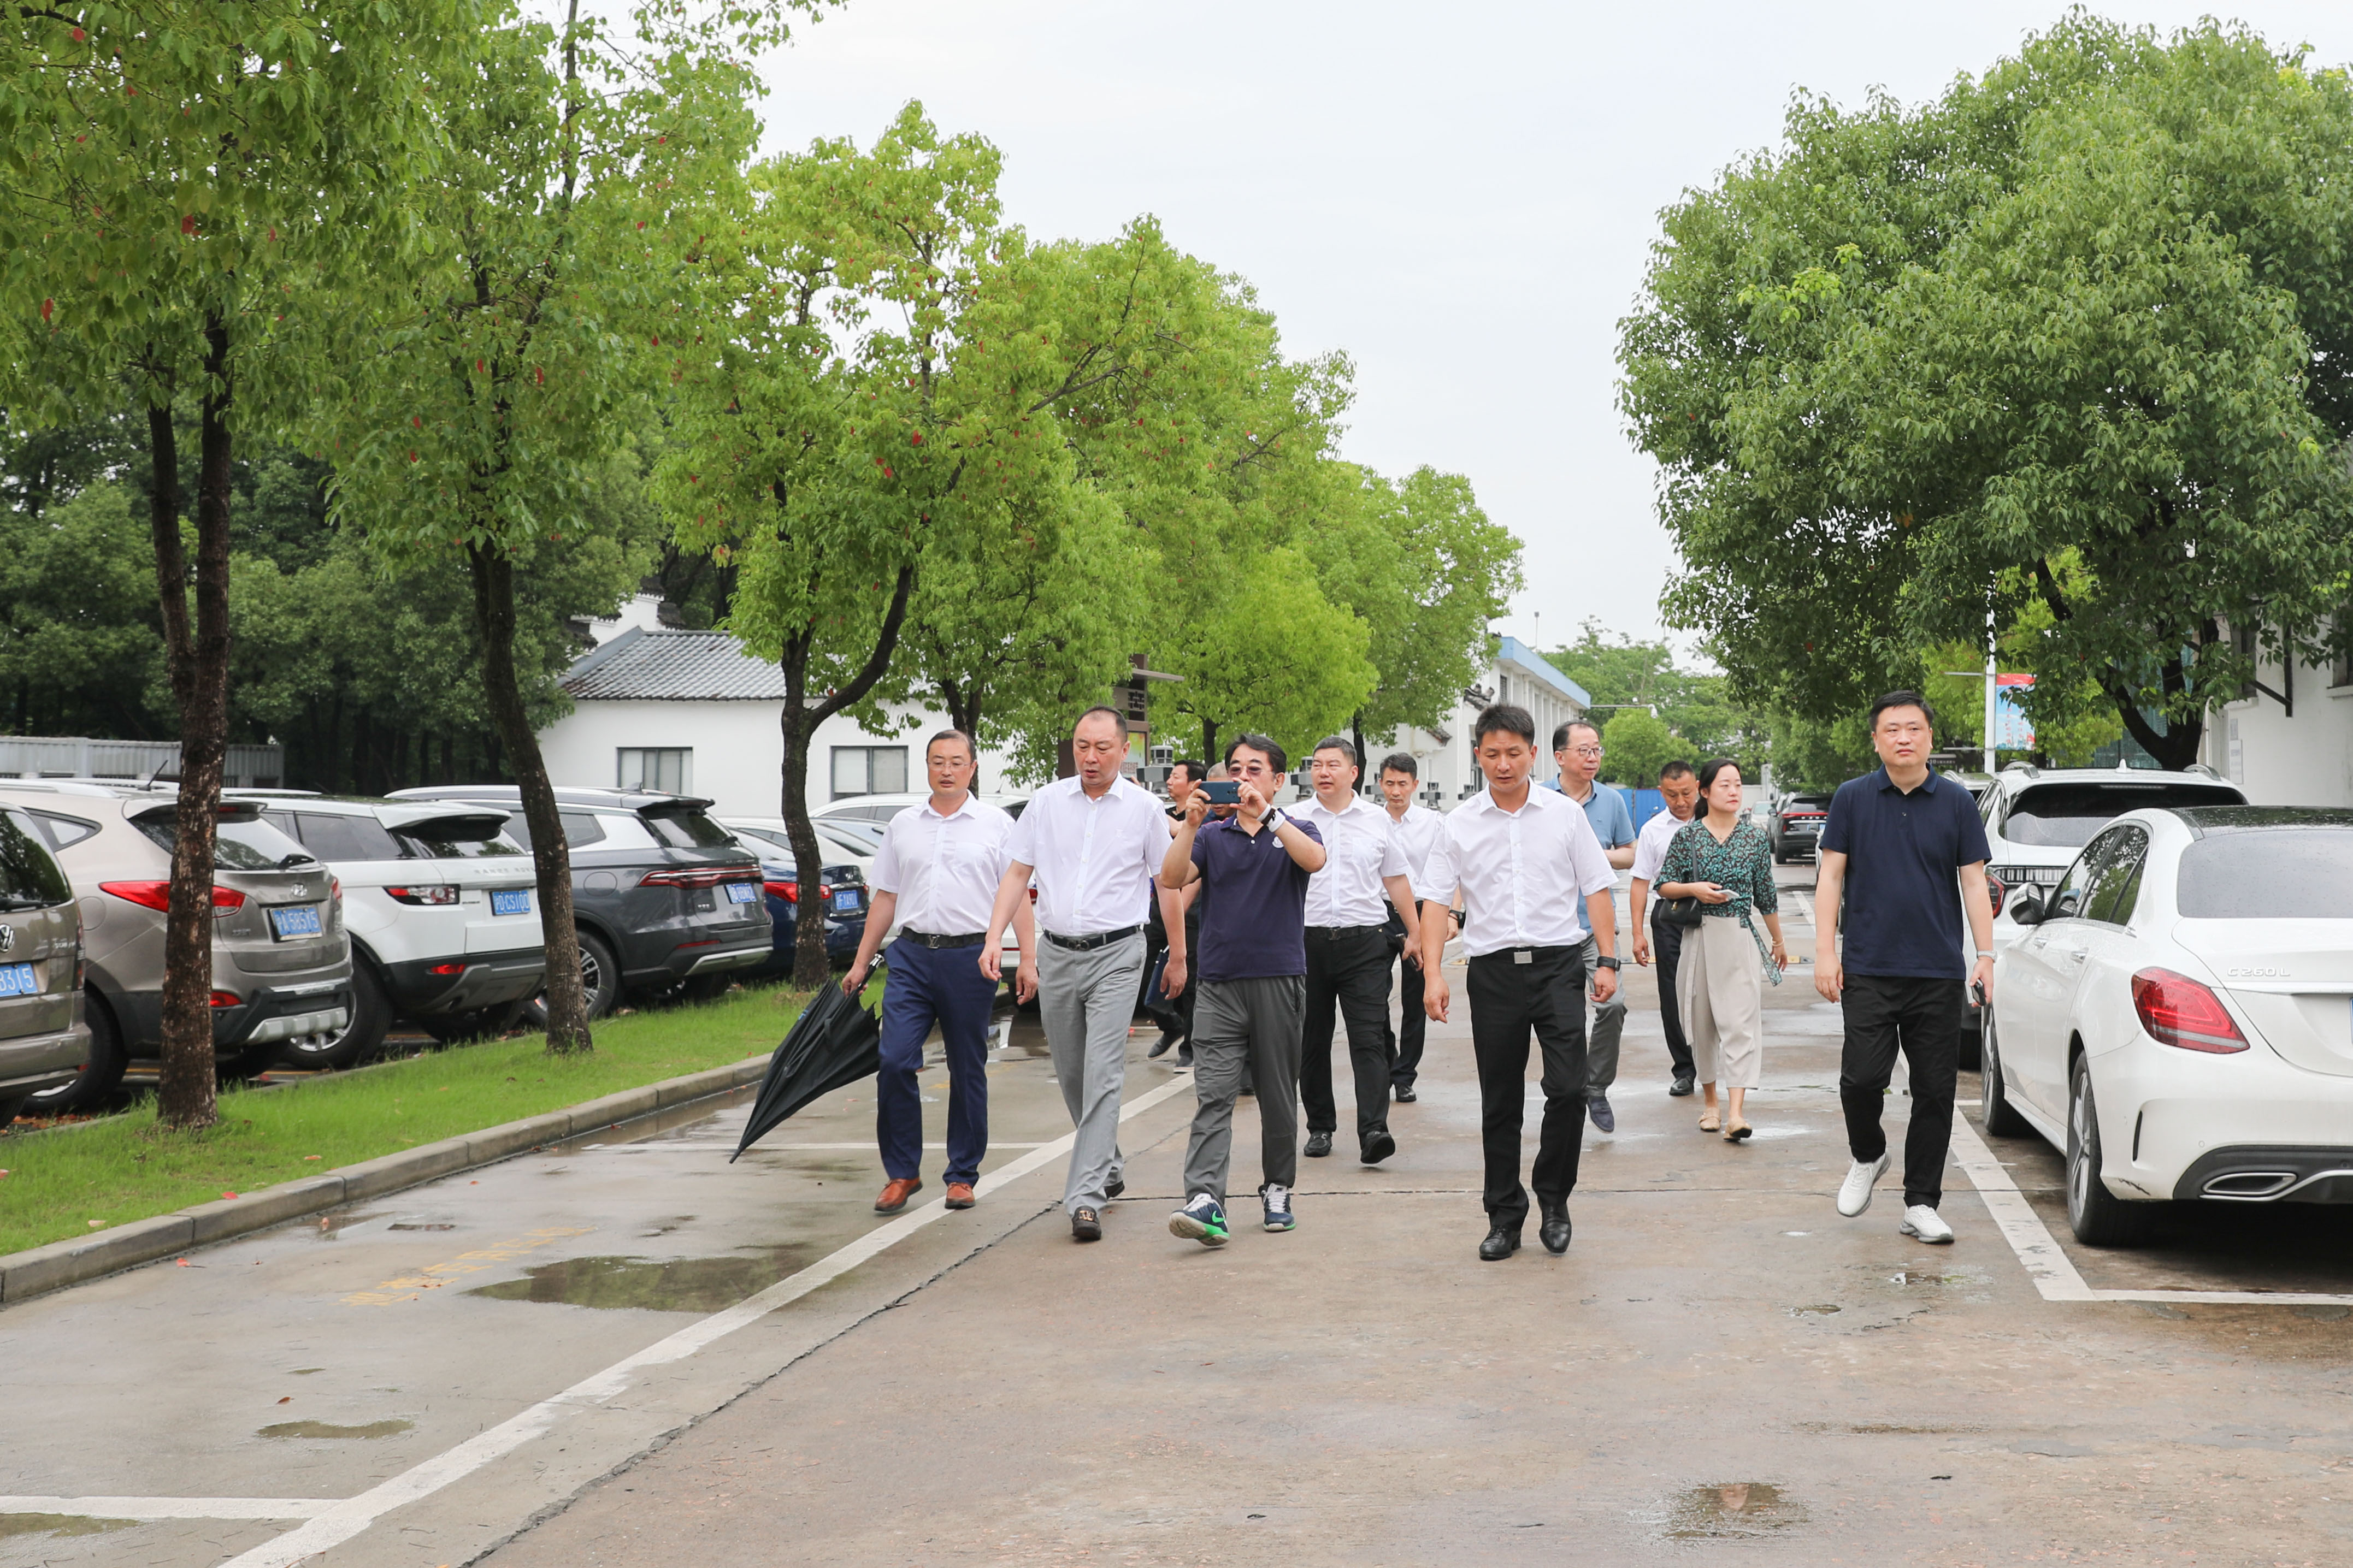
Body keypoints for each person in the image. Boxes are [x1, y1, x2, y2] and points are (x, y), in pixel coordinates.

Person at [1417, 704, 1620, 1262]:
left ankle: (1554, 1200)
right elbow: (1434, 900)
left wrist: (1607, 960)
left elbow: (1596, 887)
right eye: (1492, 754)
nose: (1503, 764)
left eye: (1513, 753)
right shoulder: (1458, 823)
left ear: (1533, 754)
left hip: (1558, 966)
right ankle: (1504, 1215)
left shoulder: (1564, 815)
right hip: (1493, 974)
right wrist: (1433, 974)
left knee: (1569, 1089)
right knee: (1500, 1100)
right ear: (1477, 755)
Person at [981, 707, 1181, 1243]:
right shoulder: (1046, 803)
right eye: (1081, 747)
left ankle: (1085, 1197)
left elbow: (1167, 883)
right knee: (1072, 1074)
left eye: (1101, 748)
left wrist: (1178, 955)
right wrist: (993, 936)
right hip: (1058, 954)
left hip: (1119, 953)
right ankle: (1107, 1163)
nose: (1090, 757)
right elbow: (1016, 874)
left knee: (1103, 1073)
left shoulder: (1144, 809)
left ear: (1124, 751)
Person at [1814, 691, 1996, 1247]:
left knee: (1934, 1091)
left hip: (1936, 970)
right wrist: (1825, 951)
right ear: (1875, 740)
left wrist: (1984, 955)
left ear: (1929, 738)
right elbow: (1830, 877)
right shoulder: (1851, 798)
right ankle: (1868, 1154)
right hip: (1867, 966)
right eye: (1891, 729)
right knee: (1860, 1080)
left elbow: (1973, 882)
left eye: (1913, 728)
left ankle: (1920, 1203)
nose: (1903, 738)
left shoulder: (1957, 802)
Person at [844, 731, 1029, 1214]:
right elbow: (886, 896)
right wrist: (861, 962)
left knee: (967, 1067)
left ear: (972, 768)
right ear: (926, 766)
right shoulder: (903, 825)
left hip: (969, 958)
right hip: (910, 956)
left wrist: (1027, 958)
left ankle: (962, 1174)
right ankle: (902, 1171)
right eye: (937, 761)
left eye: (956, 762)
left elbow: (1016, 896)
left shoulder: (996, 825)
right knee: (894, 1060)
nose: (947, 770)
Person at [1161, 735, 1327, 1245]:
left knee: (1277, 1095)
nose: (1242, 778)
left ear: (1277, 780)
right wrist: (1191, 825)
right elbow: (1171, 877)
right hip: (1219, 985)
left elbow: (1314, 860)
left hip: (1278, 979)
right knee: (1213, 1094)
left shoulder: (1297, 827)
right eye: (1235, 769)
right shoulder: (1213, 835)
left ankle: (1277, 1187)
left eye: (1254, 769)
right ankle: (1204, 1198)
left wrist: (1269, 817)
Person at [1292, 737, 1422, 1163]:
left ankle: (1373, 1129)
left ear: (1353, 772)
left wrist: (1415, 932)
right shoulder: (1293, 818)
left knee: (1368, 1038)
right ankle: (1319, 1126)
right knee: (1312, 1040)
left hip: (1365, 943)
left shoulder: (1376, 820)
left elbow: (1396, 879)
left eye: (1333, 764)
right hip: (1306, 943)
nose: (1323, 772)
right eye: (1317, 764)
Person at [1654, 758, 1787, 1140]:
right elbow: (1664, 885)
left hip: (1739, 936)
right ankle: (1710, 1104)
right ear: (1705, 791)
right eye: (1725, 785)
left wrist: (1778, 940)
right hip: (1700, 936)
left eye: (1738, 784)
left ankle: (1736, 1113)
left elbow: (1765, 894)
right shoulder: (1688, 837)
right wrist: (1693, 889)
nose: (1733, 791)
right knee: (1702, 1024)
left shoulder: (1754, 838)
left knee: (1741, 1023)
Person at [1544, 719, 1636, 1132]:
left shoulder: (1611, 801)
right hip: (1551, 928)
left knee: (1612, 1005)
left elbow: (1629, 853)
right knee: (1558, 1017)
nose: (1592, 757)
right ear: (1559, 756)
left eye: (1596, 749)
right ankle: (1565, 1088)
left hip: (1596, 927)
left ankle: (1596, 1088)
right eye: (1583, 750)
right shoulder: (1539, 799)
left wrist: (1594, 854)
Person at [1629, 760, 1702, 1096]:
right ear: (1662, 792)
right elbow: (1640, 882)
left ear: (1698, 787)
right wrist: (1637, 933)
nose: (1681, 801)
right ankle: (1685, 1069)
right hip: (1670, 916)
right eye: (1672, 795)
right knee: (1673, 994)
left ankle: (1715, 1064)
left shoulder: (1714, 821)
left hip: (1712, 913)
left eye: (1686, 793)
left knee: (1714, 990)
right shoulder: (1653, 830)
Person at [1376, 753, 1444, 1103]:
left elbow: (1448, 871)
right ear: (1380, 784)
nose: (1396, 791)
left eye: (1403, 784)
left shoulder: (1433, 823)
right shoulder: (1371, 820)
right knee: (1374, 996)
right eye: (1390, 783)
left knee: (1416, 999)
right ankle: (1389, 1061)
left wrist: (1450, 915)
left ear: (1415, 785)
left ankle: (1405, 1076)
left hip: (1420, 913)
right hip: (1378, 914)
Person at [1145, 759, 1208, 1064]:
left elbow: (1196, 870)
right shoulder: (1163, 814)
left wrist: (1180, 912)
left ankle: (1190, 1049)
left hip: (1190, 912)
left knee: (1190, 982)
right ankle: (1172, 1026)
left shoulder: (1203, 816)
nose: (1169, 782)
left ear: (1194, 783)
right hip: (1157, 910)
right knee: (1147, 973)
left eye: (1175, 777)